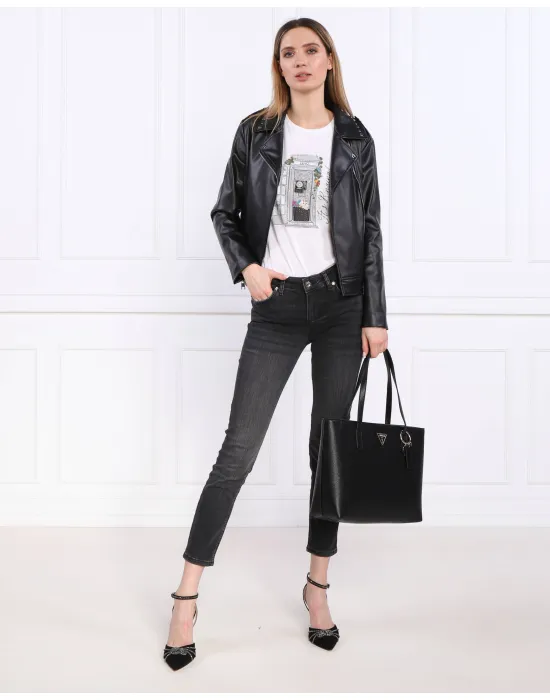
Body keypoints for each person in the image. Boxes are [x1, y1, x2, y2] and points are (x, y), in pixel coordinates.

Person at [163, 16, 388, 671]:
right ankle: (186, 595)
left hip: (342, 308)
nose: (300, 61)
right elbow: (225, 212)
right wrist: (249, 268)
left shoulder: (355, 139)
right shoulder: (257, 133)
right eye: (289, 53)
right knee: (237, 452)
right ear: (279, 65)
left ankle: (317, 587)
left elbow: (370, 230)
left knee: (328, 455)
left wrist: (375, 314)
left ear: (329, 60)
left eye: (311, 50)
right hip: (278, 308)